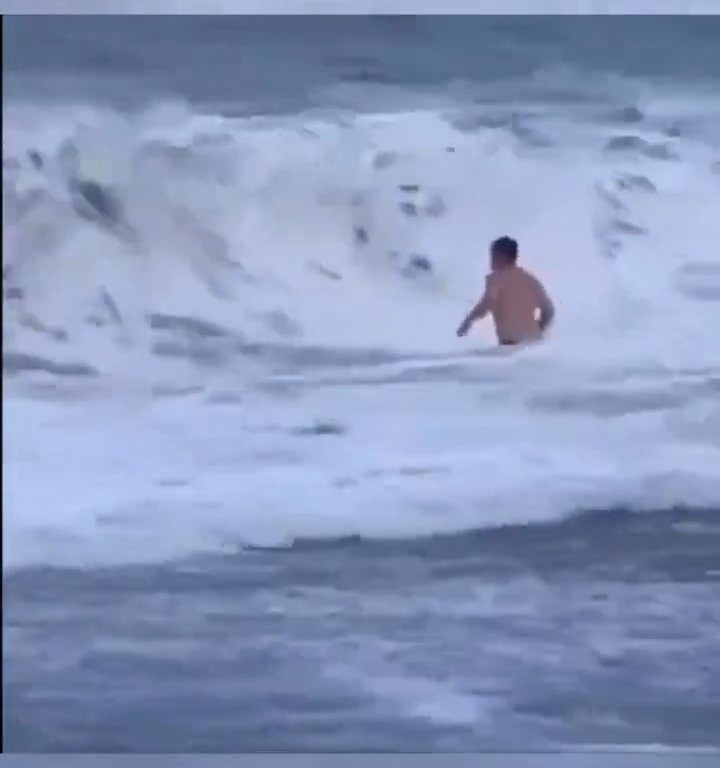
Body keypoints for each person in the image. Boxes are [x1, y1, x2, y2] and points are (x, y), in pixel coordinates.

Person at [456, 236, 555, 345]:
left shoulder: (496, 278)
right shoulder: (529, 279)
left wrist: (468, 321)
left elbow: (487, 302)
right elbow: (549, 309)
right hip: (534, 344)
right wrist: (539, 329)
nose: (490, 261)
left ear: (500, 257)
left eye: (493, 256)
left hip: (511, 345)